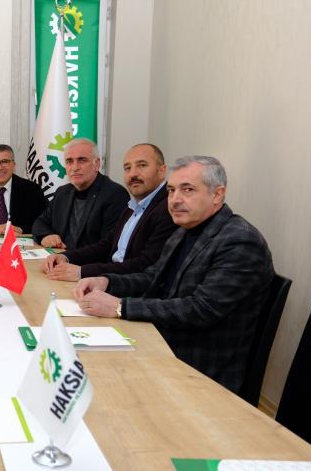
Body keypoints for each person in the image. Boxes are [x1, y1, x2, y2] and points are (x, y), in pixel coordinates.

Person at [73, 155, 274, 392]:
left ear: (217, 195)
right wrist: (106, 282)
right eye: (171, 190)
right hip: (161, 342)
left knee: (95, 377)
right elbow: (152, 277)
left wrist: (120, 307)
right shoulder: (184, 230)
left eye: (187, 190)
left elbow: (201, 309)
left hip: (199, 368)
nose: (175, 200)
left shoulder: (240, 241)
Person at [43, 143, 177, 281]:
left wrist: (82, 272)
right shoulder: (134, 206)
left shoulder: (169, 208)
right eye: (127, 168)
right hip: (108, 280)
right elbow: (107, 245)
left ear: (162, 171)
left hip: (125, 287)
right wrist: (66, 256)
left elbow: (145, 265)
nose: (133, 174)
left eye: (142, 165)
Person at [32, 138, 128, 250]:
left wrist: (67, 257)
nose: (75, 168)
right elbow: (40, 222)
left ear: (97, 164)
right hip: (60, 256)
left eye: (82, 160)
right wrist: (46, 235)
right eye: (69, 161)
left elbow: (107, 247)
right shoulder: (62, 193)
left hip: (87, 260)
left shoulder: (115, 194)